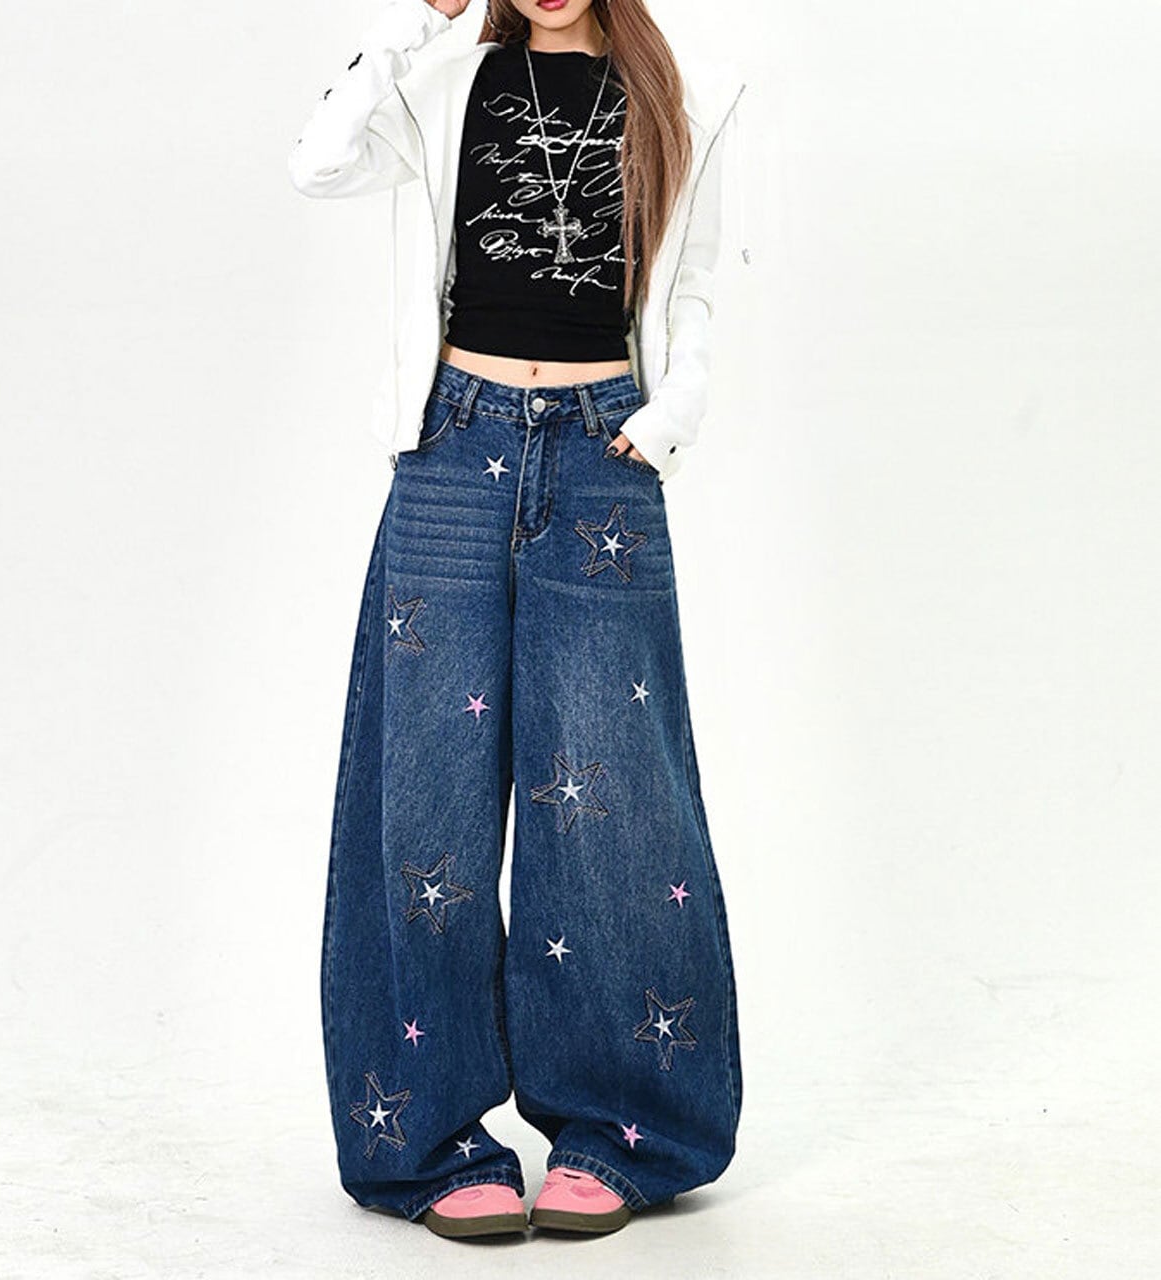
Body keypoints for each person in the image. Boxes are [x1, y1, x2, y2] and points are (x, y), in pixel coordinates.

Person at [288, 0, 745, 1240]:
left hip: (604, 453)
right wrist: (415, 18)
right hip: (455, 446)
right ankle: (427, 1133)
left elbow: (697, 286)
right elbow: (319, 160)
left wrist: (665, 421)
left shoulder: (686, 93)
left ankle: (626, 1123)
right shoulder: (446, 76)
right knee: (423, 795)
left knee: (614, 799)